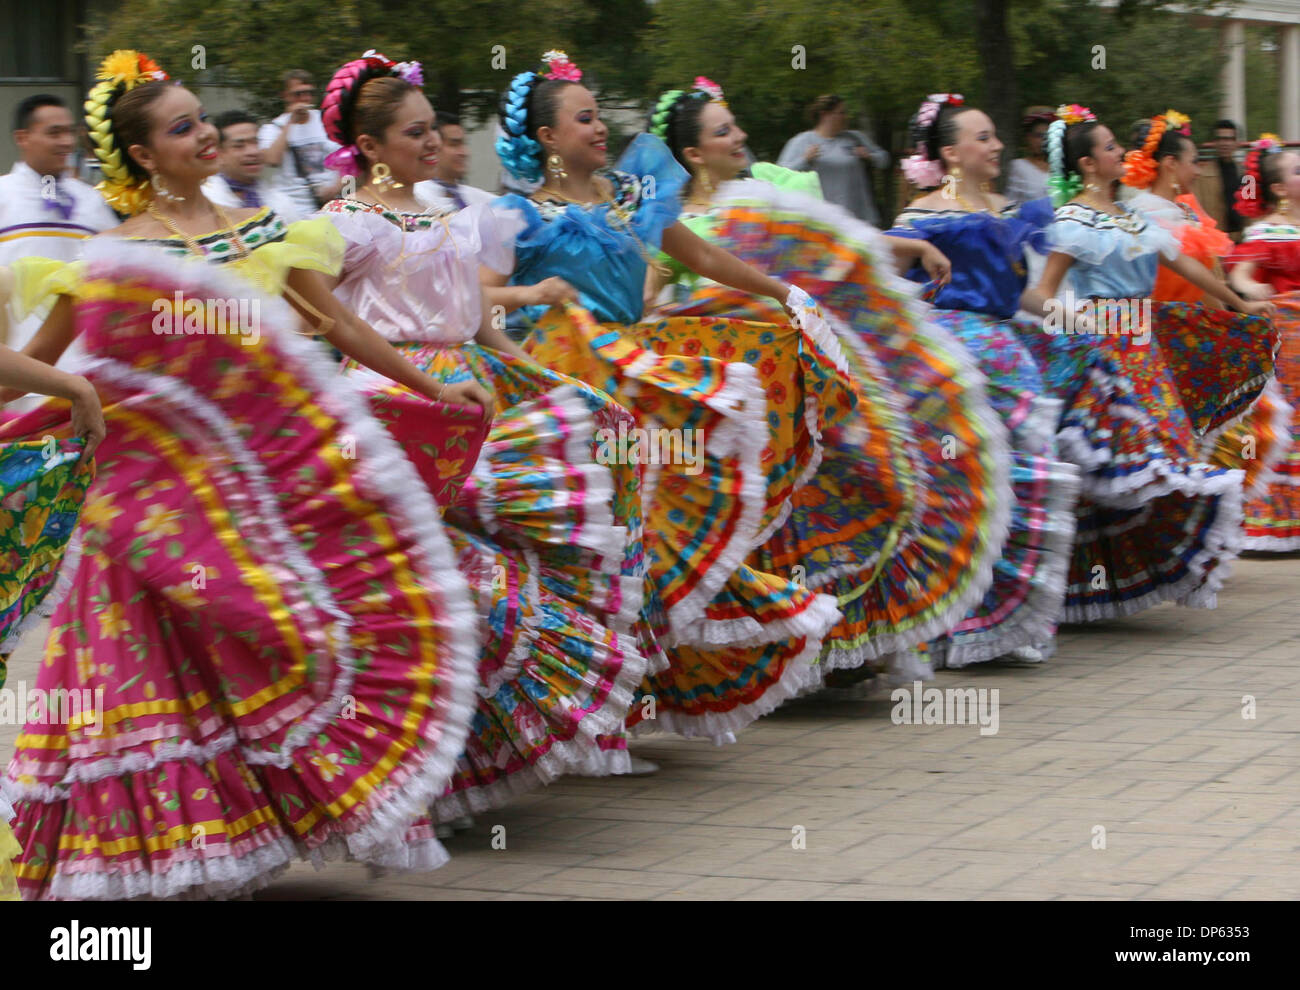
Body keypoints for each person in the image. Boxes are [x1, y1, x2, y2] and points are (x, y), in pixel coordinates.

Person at [2, 50, 496, 900]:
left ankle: (257, 828)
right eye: (183, 127)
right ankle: (167, 857)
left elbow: (336, 324)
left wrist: (429, 384)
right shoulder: (107, 263)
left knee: (272, 648)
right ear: (145, 157)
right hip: (144, 508)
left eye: (203, 120)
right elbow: (22, 366)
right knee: (150, 677)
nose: (205, 136)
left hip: (257, 496)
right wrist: (71, 386)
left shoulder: (265, 230)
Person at [317, 50, 656, 814]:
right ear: (368, 147)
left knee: (522, 554)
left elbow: (478, 321)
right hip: (396, 401)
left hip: (473, 390)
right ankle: (408, 767)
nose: (432, 144)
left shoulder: (447, 215)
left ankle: (472, 759)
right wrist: (402, 378)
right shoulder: (345, 223)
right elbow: (320, 313)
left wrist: (550, 379)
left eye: (434, 129)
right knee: (432, 577)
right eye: (413, 134)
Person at [488, 52, 848, 748]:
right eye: (585, 118)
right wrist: (535, 297)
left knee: (646, 542)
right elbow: (475, 297)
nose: (600, 128)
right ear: (545, 138)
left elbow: (706, 259)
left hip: (631, 387)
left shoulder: (632, 195)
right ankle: (571, 714)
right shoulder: (515, 213)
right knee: (588, 550)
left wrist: (783, 294)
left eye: (598, 114)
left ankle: (622, 708)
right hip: (555, 397)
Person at [644, 79, 1013, 681]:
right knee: (759, 515)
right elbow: (657, 293)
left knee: (861, 484)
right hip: (736, 392)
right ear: (692, 154)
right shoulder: (674, 222)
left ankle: (843, 642)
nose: (738, 136)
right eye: (721, 131)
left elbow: (844, 247)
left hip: (802, 385)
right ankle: (771, 654)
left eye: (734, 125)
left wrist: (910, 245)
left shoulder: (773, 192)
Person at [1018, 104, 1275, 621]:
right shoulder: (1074, 220)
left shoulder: (1133, 217)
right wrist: (1080, 319)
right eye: (1111, 147)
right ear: (1089, 164)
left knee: (1166, 457)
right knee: (1106, 467)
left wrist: (1239, 304)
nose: (1121, 154)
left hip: (1142, 350)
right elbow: (1036, 296)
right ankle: (1075, 587)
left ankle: (1124, 573)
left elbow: (1186, 264)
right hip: (1099, 357)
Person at [887, 94, 1081, 666]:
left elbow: (1019, 293)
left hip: (1008, 355)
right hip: (954, 362)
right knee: (970, 483)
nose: (997, 147)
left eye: (996, 136)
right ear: (950, 152)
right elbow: (875, 263)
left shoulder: (1007, 211)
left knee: (1025, 479)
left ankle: (1008, 620)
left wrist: (1077, 320)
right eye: (984, 138)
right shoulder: (923, 214)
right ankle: (958, 619)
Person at [0, 95, 118, 359]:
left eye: (70, 132)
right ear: (23, 138)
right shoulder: (3, 193)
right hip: (15, 363)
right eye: (54, 133)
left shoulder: (92, 200)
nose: (66, 142)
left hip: (81, 361)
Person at [1225, 135, 1300, 549]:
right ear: (1276, 189)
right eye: (1297, 170)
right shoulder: (1270, 232)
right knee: (1289, 429)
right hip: (1289, 350)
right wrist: (1252, 291)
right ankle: (1273, 523)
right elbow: (1241, 274)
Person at [777, 94, 889, 225]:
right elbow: (779, 175)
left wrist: (870, 156)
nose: (846, 117)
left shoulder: (855, 137)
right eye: (841, 113)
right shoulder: (802, 141)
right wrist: (805, 160)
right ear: (825, 115)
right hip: (822, 220)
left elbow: (885, 160)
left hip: (859, 217)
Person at [258, 69, 342, 215]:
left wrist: (335, 188)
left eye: (309, 93)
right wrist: (291, 121)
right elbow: (272, 160)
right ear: (284, 96)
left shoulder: (328, 121)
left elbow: (349, 162)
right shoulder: (273, 128)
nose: (305, 98)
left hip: (330, 207)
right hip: (294, 211)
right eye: (298, 94)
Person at [202, 109, 306, 221]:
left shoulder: (278, 200)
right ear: (219, 153)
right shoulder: (206, 200)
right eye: (239, 146)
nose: (253, 152)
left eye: (255, 142)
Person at [412, 111, 495, 211]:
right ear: (433, 146)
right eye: (454, 144)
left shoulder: (481, 200)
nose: (464, 152)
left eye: (463, 144)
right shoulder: (416, 198)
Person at [1193, 118, 1246, 243]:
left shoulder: (1247, 174)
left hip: (1242, 239)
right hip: (1215, 240)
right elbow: (1197, 210)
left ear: (1236, 143)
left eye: (1229, 139)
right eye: (1220, 139)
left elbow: (1252, 208)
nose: (1224, 143)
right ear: (1214, 142)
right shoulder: (1201, 175)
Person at [1005, 106, 1055, 205]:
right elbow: (1010, 202)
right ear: (1028, 137)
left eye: (1047, 136)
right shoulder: (1018, 166)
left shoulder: (1061, 168)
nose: (1043, 140)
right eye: (1038, 136)